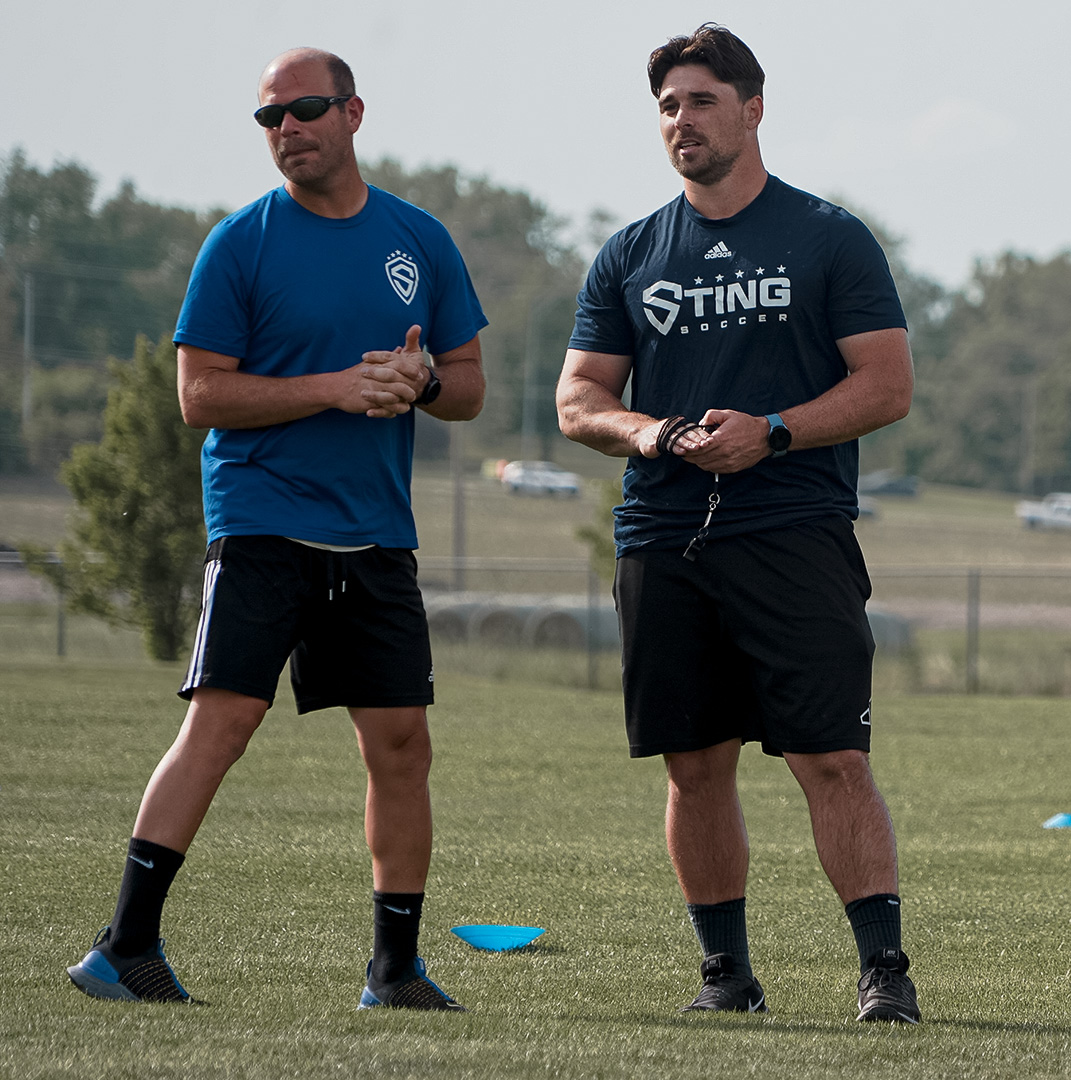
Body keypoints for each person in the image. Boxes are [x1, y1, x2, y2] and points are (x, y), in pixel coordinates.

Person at [67, 47, 487, 1012]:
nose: (286, 129)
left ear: (353, 113)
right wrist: (334, 388)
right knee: (222, 723)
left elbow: (467, 387)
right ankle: (123, 948)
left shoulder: (419, 239)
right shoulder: (240, 243)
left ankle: (394, 972)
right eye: (269, 118)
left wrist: (421, 379)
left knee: (402, 746)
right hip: (262, 524)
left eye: (304, 110)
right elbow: (199, 396)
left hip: (375, 534)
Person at [555, 24, 919, 1022]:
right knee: (694, 764)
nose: (682, 120)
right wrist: (654, 433)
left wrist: (774, 431)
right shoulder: (631, 254)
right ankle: (726, 977)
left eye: (702, 101)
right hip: (663, 537)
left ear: (753, 110)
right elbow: (579, 399)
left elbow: (887, 385)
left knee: (831, 758)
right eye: (668, 106)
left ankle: (883, 972)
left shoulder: (828, 236)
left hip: (794, 529)